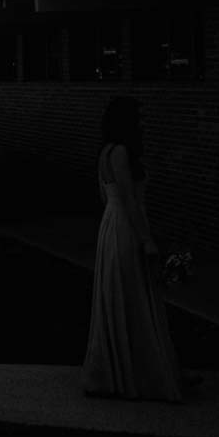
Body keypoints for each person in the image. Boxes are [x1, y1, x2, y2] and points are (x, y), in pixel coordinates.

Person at [81, 97, 184, 402]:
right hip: (125, 226)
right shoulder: (121, 153)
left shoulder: (106, 152)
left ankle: (133, 368)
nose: (143, 124)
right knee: (133, 294)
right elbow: (128, 200)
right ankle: (143, 371)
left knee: (124, 294)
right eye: (138, 119)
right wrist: (146, 239)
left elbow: (106, 196)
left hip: (111, 224)